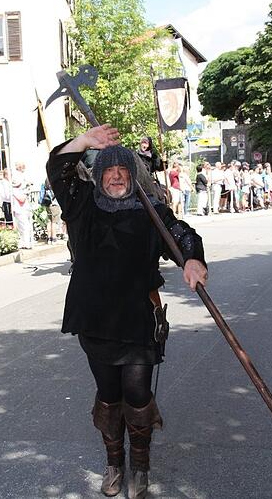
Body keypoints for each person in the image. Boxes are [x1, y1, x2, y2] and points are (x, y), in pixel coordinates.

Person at [47, 124, 208, 499]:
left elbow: (181, 234)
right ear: (99, 175)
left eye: (123, 171)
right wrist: (84, 142)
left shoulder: (150, 212)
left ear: (132, 176)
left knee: (136, 393)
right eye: (109, 171)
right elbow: (58, 171)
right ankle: (114, 463)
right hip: (96, 319)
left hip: (139, 319)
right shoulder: (81, 206)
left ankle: (141, 466)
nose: (117, 177)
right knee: (108, 393)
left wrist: (192, 259)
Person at [12, 162, 34, 249]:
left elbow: (23, 198)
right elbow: (21, 198)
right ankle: (24, 242)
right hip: (19, 208)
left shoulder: (21, 180)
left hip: (22, 208)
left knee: (24, 226)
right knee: (23, 226)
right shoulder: (16, 186)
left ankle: (26, 242)